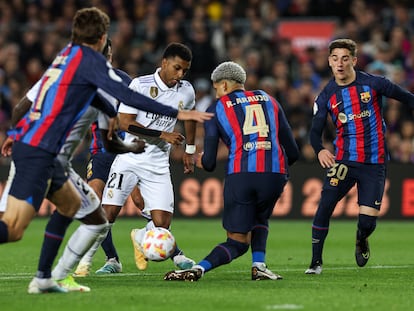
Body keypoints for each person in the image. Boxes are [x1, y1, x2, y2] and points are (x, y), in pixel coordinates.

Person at [0, 7, 212, 294]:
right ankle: (49, 276)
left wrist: (125, 146)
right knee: (13, 229)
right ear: (101, 38)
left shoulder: (65, 59)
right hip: (40, 152)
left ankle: (46, 277)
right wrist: (180, 114)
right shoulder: (91, 61)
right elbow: (127, 96)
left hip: (49, 155)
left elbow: (26, 105)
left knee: (89, 214)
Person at [164, 61, 299, 281]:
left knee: (236, 241)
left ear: (225, 85)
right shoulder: (270, 100)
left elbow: (209, 162)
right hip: (274, 173)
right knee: (260, 217)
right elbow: (292, 151)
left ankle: (199, 269)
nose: (216, 93)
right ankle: (259, 265)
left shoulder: (216, 108)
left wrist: (199, 160)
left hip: (241, 175)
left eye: (216, 88)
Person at [85, 42, 198, 275]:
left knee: (158, 220)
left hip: (145, 157)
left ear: (110, 55)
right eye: (177, 68)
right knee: (101, 207)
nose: (180, 75)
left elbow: (188, 117)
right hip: (106, 151)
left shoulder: (126, 81)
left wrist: (189, 149)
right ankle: (98, 260)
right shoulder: (82, 84)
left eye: (105, 55)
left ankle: (143, 238)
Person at [304, 38, 414, 275]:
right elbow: (314, 132)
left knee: (367, 222)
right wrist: (320, 149)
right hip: (343, 161)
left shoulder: (374, 84)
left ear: (353, 60)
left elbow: (408, 98)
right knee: (324, 206)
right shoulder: (326, 96)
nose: (340, 64)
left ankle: (361, 238)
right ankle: (315, 262)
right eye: (335, 59)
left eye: (345, 58)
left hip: (374, 163)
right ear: (329, 62)